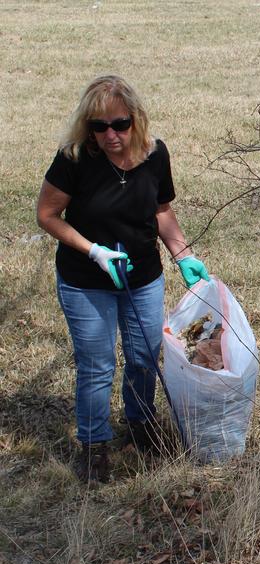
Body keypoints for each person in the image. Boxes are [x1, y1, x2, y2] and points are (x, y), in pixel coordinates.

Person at [37, 74, 210, 484]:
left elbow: (162, 209)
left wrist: (182, 255)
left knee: (143, 357)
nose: (110, 135)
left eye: (119, 124)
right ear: (88, 127)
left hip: (143, 276)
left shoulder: (154, 154)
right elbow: (47, 216)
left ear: (135, 119)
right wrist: (94, 251)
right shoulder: (75, 159)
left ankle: (141, 425)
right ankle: (94, 446)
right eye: (99, 127)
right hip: (86, 279)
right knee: (96, 366)